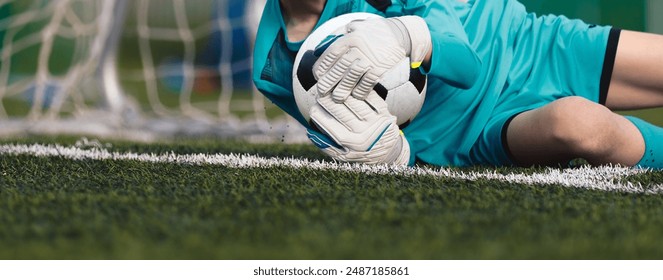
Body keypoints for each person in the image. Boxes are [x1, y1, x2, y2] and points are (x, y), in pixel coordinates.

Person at [252, 0, 663, 169]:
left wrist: (410, 35)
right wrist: (396, 155)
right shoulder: (271, 67)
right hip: (475, 132)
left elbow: (464, 64)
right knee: (579, 127)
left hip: (530, 45)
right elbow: (345, 130)